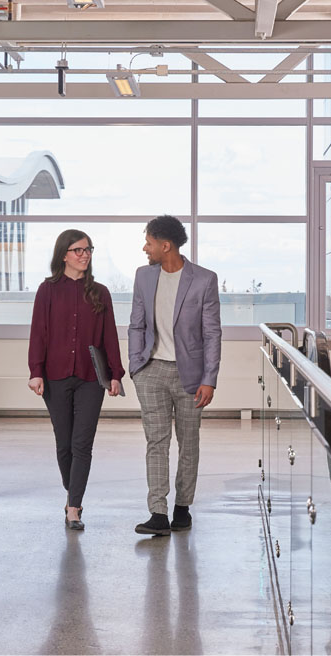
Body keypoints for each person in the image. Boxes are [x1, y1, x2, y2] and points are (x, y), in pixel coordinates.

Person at [129, 215, 222, 536]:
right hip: (151, 371)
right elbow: (136, 325)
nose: (145, 248)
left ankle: (183, 506)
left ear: (165, 245)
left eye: (149, 243)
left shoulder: (204, 280)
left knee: (188, 442)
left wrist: (209, 378)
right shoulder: (143, 276)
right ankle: (157, 512)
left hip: (191, 376)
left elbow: (212, 333)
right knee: (156, 441)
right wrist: (136, 366)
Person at [28, 230, 124, 531]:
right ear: (64, 255)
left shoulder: (100, 292)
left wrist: (116, 374)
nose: (85, 255)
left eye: (88, 249)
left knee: (82, 443)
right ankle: (73, 492)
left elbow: (110, 336)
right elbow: (38, 333)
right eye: (78, 250)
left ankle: (74, 507)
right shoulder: (47, 290)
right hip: (55, 376)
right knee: (64, 444)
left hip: (90, 377)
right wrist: (35, 371)